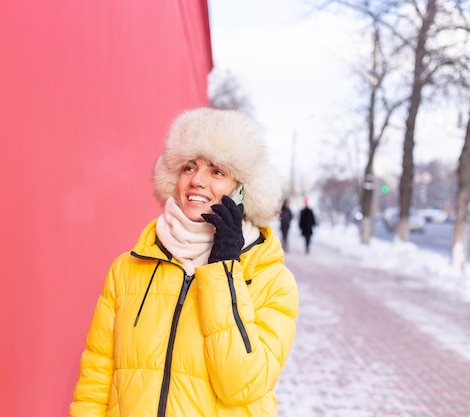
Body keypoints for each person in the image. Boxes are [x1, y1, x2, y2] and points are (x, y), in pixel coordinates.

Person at [69, 107, 299, 417]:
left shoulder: (272, 280)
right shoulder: (127, 268)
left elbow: (243, 383)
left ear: (243, 190)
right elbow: (96, 376)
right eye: (189, 167)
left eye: (217, 171)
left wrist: (223, 269)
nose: (197, 181)